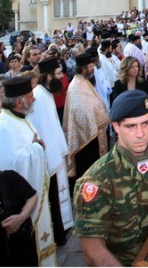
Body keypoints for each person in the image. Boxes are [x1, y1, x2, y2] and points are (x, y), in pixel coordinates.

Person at [73, 90, 148, 266]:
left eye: (145, 123)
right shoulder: (96, 180)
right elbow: (92, 249)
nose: (140, 133)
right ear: (115, 127)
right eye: (131, 126)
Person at [0, 75, 57, 266]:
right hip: (17, 207)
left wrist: (34, 146)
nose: (34, 98)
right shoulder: (3, 127)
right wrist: (35, 148)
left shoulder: (18, 118)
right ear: (19, 101)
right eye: (30, 95)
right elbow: (10, 166)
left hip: (27, 198)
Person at [31, 56, 73, 246]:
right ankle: (58, 233)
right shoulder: (38, 97)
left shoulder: (46, 93)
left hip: (56, 154)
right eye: (57, 74)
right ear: (48, 76)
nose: (62, 77)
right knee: (53, 198)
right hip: (49, 158)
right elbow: (42, 129)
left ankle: (63, 227)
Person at [63, 52, 109, 192]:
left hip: (94, 135)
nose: (93, 68)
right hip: (87, 140)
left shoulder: (84, 82)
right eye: (91, 66)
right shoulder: (76, 87)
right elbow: (82, 112)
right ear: (83, 68)